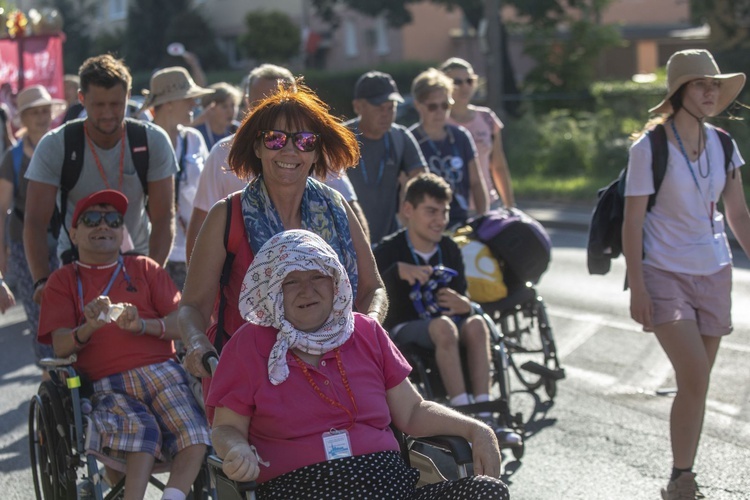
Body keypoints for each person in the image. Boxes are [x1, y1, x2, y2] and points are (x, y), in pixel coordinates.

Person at [208, 229, 510, 499]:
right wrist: (236, 450)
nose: (307, 290)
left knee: (487, 492)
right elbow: (226, 428)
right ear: (274, 291)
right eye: (291, 281)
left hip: (390, 485)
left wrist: (477, 430)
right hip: (299, 488)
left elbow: (413, 411)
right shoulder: (250, 344)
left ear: (335, 280)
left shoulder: (365, 331)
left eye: (317, 276)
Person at [179, 83, 388, 400]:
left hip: (335, 368)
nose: (289, 150)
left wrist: (370, 328)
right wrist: (198, 344)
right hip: (251, 376)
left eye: (304, 140)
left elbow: (373, 289)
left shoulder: (338, 208)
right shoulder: (227, 215)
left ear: (317, 151)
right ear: (257, 147)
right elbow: (192, 307)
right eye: (275, 139)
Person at [622, 49, 750, 500]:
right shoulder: (650, 148)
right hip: (663, 274)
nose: (711, 91)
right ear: (679, 92)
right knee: (694, 376)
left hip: (715, 271)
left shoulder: (724, 144)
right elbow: (632, 222)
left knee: (696, 386)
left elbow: (738, 215)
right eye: (701, 84)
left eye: (714, 84)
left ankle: (681, 476)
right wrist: (637, 287)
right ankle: (682, 478)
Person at [37, 190, 210, 500]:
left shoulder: (144, 268)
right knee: (142, 432)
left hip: (163, 371)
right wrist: (88, 327)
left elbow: (183, 323)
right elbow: (60, 346)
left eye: (113, 220)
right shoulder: (62, 281)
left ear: (122, 232)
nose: (104, 226)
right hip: (107, 382)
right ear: (74, 233)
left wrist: (143, 325)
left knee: (195, 430)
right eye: (92, 219)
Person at [373, 173, 518, 443]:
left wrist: (465, 304)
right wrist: (394, 273)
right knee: (444, 327)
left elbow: (461, 296)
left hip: (446, 324)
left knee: (477, 324)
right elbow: (374, 302)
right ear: (408, 210)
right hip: (405, 328)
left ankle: (485, 413)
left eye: (444, 212)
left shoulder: (450, 248)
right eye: (431, 211)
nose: (440, 220)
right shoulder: (388, 250)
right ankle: (462, 414)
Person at [23, 54, 177, 304]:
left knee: (141, 339)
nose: (108, 113)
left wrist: (153, 274)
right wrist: (41, 280)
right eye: (98, 105)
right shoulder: (56, 145)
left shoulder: (151, 141)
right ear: (82, 99)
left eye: (116, 104)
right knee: (80, 341)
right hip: (77, 262)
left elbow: (163, 217)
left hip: (137, 259)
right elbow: (34, 222)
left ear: (128, 98)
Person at [185, 64, 368, 260]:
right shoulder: (223, 154)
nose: (278, 114)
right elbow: (199, 227)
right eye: (266, 106)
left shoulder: (316, 147)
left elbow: (352, 213)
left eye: (286, 103)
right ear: (248, 104)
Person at [0, 85, 65, 371]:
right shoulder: (12, 159)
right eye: (34, 112)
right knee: (38, 311)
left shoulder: (62, 148)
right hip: (24, 243)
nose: (41, 117)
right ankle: (49, 372)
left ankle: (71, 367)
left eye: (45, 111)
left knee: (69, 307)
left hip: (62, 240)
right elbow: (2, 209)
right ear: (22, 118)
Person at [141, 67, 212, 289]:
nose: (195, 104)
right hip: (150, 248)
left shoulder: (193, 139)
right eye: (188, 99)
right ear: (169, 103)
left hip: (192, 248)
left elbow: (210, 191)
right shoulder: (141, 141)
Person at [345, 71, 427, 244]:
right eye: (379, 107)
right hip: (345, 244)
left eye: (391, 107)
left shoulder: (400, 137)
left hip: (389, 244)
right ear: (358, 107)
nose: (386, 114)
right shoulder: (339, 138)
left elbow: (423, 184)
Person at [408, 68, 488, 228]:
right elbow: (405, 191)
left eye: (445, 105)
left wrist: (483, 220)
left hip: (459, 222)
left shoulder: (461, 137)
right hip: (424, 227)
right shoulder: (410, 139)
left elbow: (476, 183)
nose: (440, 112)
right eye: (433, 107)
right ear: (418, 105)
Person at [439, 57, 515, 209]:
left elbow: (498, 165)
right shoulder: (439, 122)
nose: (465, 87)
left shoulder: (487, 118)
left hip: (489, 204)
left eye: (469, 81)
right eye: (457, 82)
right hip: (451, 208)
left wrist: (510, 207)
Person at [193, 82, 241, 150]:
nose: (230, 111)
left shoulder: (239, 130)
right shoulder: (197, 133)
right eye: (224, 106)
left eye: (233, 105)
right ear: (210, 108)